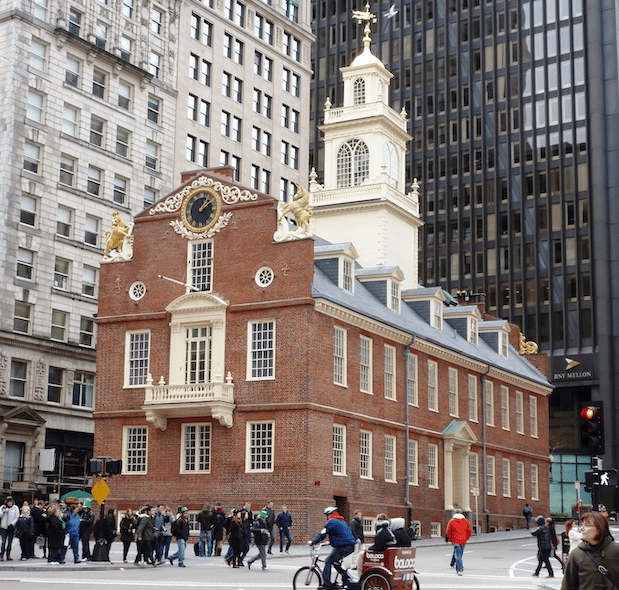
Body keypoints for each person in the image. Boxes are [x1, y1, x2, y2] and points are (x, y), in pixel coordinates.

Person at [561, 511, 619, 590]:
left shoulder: (615, 550)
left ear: (600, 528)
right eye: (582, 524)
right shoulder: (577, 554)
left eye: (587, 525)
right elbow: (568, 585)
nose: (582, 528)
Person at [309, 507, 356, 590]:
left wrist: (313, 542)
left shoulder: (331, 521)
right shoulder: (341, 521)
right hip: (350, 546)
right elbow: (341, 535)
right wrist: (330, 542)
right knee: (335, 562)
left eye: (326, 515)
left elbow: (322, 534)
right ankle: (346, 578)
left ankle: (327, 584)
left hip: (343, 546)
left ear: (329, 514)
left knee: (328, 561)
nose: (326, 517)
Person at [445, 509, 472, 576]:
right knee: (460, 555)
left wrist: (451, 539)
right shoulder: (466, 521)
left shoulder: (452, 521)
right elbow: (469, 531)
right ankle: (459, 568)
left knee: (458, 555)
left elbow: (448, 532)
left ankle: (459, 569)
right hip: (463, 541)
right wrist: (466, 538)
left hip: (456, 541)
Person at [0, 496, 20, 561]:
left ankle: (8, 555)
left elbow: (17, 517)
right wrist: (3, 512)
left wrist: (12, 524)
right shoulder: (2, 507)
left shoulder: (15, 508)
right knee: (3, 542)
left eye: (11, 502)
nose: (10, 503)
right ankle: (1, 555)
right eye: (8, 502)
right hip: (4, 527)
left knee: (10, 542)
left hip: (11, 527)